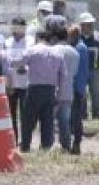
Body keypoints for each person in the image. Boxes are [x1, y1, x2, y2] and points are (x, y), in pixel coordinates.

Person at [14, 17, 68, 153]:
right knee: (47, 120)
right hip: (51, 90)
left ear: (38, 38)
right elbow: (63, 76)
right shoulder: (57, 53)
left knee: (28, 119)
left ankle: (25, 146)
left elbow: (18, 62)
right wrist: (59, 94)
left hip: (34, 89)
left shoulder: (33, 50)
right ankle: (45, 147)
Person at [50, 16, 78, 152]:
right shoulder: (74, 52)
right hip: (68, 90)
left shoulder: (53, 50)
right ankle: (66, 145)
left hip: (53, 90)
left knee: (49, 119)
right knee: (65, 121)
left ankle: (47, 144)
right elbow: (75, 72)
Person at [4, 17, 31, 144]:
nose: (15, 30)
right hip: (11, 83)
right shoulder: (8, 42)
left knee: (25, 114)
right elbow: (6, 61)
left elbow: (30, 58)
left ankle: (25, 141)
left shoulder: (30, 41)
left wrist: (23, 66)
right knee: (11, 114)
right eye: (13, 27)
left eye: (18, 28)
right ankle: (13, 140)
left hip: (25, 83)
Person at [68, 25, 90, 155]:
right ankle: (75, 143)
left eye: (70, 36)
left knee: (76, 117)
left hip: (77, 88)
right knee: (75, 117)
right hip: (78, 87)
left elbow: (77, 71)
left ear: (74, 35)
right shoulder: (80, 47)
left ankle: (76, 144)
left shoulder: (79, 49)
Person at [78, 12, 99, 120]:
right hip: (81, 71)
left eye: (91, 23)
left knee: (96, 94)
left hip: (95, 71)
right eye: (87, 24)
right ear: (81, 25)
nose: (90, 26)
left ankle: (96, 115)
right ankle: (83, 115)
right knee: (82, 94)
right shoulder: (77, 37)